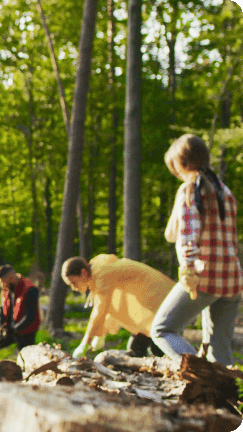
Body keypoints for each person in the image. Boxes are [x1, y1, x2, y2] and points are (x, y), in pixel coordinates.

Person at [151, 134, 243, 366]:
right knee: (219, 350)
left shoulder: (190, 190)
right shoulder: (225, 191)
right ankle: (220, 398)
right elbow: (173, 233)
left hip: (204, 276)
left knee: (162, 329)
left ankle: (197, 369)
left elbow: (188, 236)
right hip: (231, 279)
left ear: (180, 164)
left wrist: (188, 269)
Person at [61, 255, 174, 358]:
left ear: (83, 272)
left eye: (73, 282)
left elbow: (100, 310)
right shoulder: (97, 272)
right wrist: (100, 334)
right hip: (151, 305)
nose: (73, 287)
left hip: (159, 297)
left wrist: (85, 342)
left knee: (158, 347)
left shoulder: (101, 274)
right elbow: (111, 306)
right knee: (136, 349)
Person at [0, 264, 40, 374]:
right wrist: (0, 328)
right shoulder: (6, 290)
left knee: (25, 360)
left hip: (26, 331)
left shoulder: (30, 289)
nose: (2, 285)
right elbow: (2, 311)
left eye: (3, 282)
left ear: (11, 277)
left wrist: (15, 329)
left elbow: (31, 317)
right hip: (8, 330)